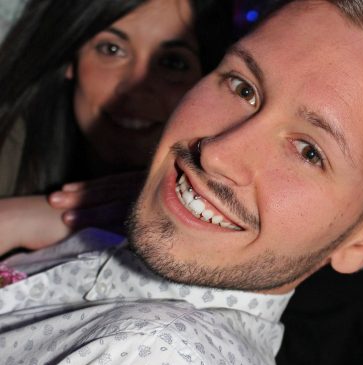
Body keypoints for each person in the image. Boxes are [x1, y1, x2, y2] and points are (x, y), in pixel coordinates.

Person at [0, 0, 363, 365]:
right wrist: (29, 220)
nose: (218, 153)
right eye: (244, 87)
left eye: (309, 151)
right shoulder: (123, 237)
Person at [0, 0, 232, 256]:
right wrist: (14, 219)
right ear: (71, 59)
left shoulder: (224, 202)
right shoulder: (11, 140)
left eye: (172, 62)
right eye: (111, 49)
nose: (136, 89)